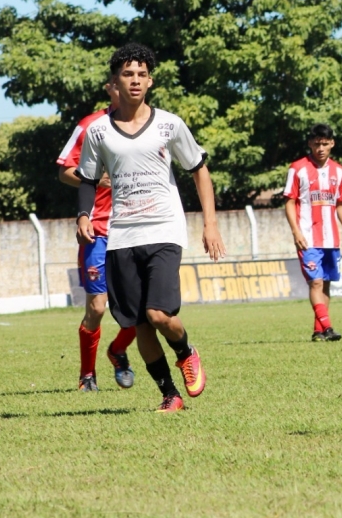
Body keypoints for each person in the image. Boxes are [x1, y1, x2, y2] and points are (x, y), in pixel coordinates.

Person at [76, 43, 225, 412]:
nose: (136, 80)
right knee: (140, 325)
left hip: (164, 231)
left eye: (142, 74)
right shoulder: (98, 131)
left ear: (151, 80)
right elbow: (87, 178)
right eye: (128, 74)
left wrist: (210, 223)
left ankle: (186, 350)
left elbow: (199, 169)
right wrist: (83, 215)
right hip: (121, 235)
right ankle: (169, 395)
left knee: (160, 315)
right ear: (115, 81)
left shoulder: (169, 124)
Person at [57, 80, 136, 392]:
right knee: (98, 307)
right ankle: (87, 375)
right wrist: (96, 180)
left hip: (136, 229)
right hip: (99, 230)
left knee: (142, 310)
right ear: (110, 87)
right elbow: (64, 170)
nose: (130, 86)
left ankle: (117, 350)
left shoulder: (148, 124)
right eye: (121, 81)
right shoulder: (90, 126)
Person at [283, 123, 342, 342]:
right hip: (307, 237)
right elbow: (289, 202)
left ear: (332, 144)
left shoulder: (338, 171)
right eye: (317, 144)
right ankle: (327, 327)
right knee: (315, 282)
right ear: (310, 143)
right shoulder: (297, 168)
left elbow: (341, 205)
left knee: (325, 282)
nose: (320, 148)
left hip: (331, 239)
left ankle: (318, 331)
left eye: (325, 144)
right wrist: (296, 231)